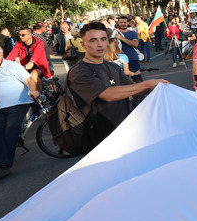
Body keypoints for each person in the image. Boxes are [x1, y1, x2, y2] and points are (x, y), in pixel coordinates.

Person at [68, 22, 170, 154]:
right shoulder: (79, 71)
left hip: (125, 134)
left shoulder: (112, 66)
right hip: (100, 140)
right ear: (83, 44)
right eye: (93, 40)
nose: (100, 44)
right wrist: (147, 84)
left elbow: (133, 90)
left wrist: (157, 88)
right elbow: (108, 95)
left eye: (103, 39)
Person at [0, 45, 40, 184]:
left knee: (9, 130)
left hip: (18, 103)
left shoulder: (12, 66)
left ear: (0, 55)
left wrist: (33, 90)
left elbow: (29, 80)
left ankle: (3, 166)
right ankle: (0, 164)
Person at [112, 15, 142, 81]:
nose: (123, 24)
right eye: (121, 22)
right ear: (118, 23)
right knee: (123, 81)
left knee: (137, 79)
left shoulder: (133, 33)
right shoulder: (115, 33)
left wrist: (121, 38)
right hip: (120, 61)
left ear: (128, 23)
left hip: (132, 59)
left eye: (124, 22)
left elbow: (135, 44)